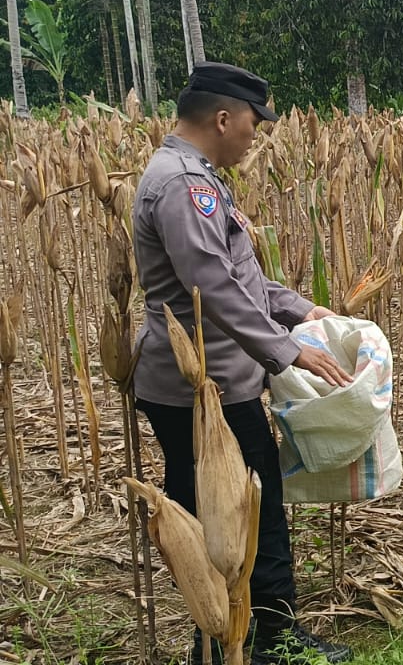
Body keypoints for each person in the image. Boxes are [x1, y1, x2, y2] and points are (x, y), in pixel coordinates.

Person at [131, 62, 353, 664]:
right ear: (224, 118)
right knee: (244, 514)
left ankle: (229, 640)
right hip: (205, 388)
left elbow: (240, 278)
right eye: (255, 122)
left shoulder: (193, 176)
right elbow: (211, 285)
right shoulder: (184, 185)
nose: (256, 136)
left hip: (213, 380)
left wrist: (301, 309)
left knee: (232, 512)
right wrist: (286, 350)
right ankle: (262, 641)